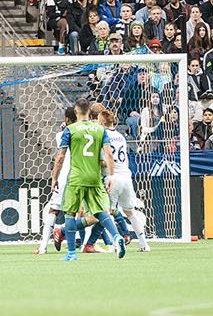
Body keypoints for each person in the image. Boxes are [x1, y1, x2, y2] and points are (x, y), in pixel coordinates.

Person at [51, 99, 124, 261]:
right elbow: (109, 154)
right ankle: (117, 236)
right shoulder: (100, 129)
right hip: (95, 178)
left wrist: (54, 178)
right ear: (89, 113)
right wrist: (111, 176)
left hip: (76, 178)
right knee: (100, 212)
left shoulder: (70, 130)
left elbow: (60, 157)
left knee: (70, 214)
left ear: (76, 111)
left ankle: (71, 253)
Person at [97, 110, 149, 252]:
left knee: (107, 213)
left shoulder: (102, 135)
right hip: (126, 176)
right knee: (130, 212)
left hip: (112, 177)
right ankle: (144, 244)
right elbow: (124, 158)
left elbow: (106, 159)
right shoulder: (120, 136)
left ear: (101, 121)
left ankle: (115, 246)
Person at [35, 107, 75, 255]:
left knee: (54, 210)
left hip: (64, 177)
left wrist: (54, 178)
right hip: (81, 176)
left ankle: (43, 247)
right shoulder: (83, 133)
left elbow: (60, 156)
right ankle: (84, 244)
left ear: (66, 119)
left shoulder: (61, 135)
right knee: (80, 212)